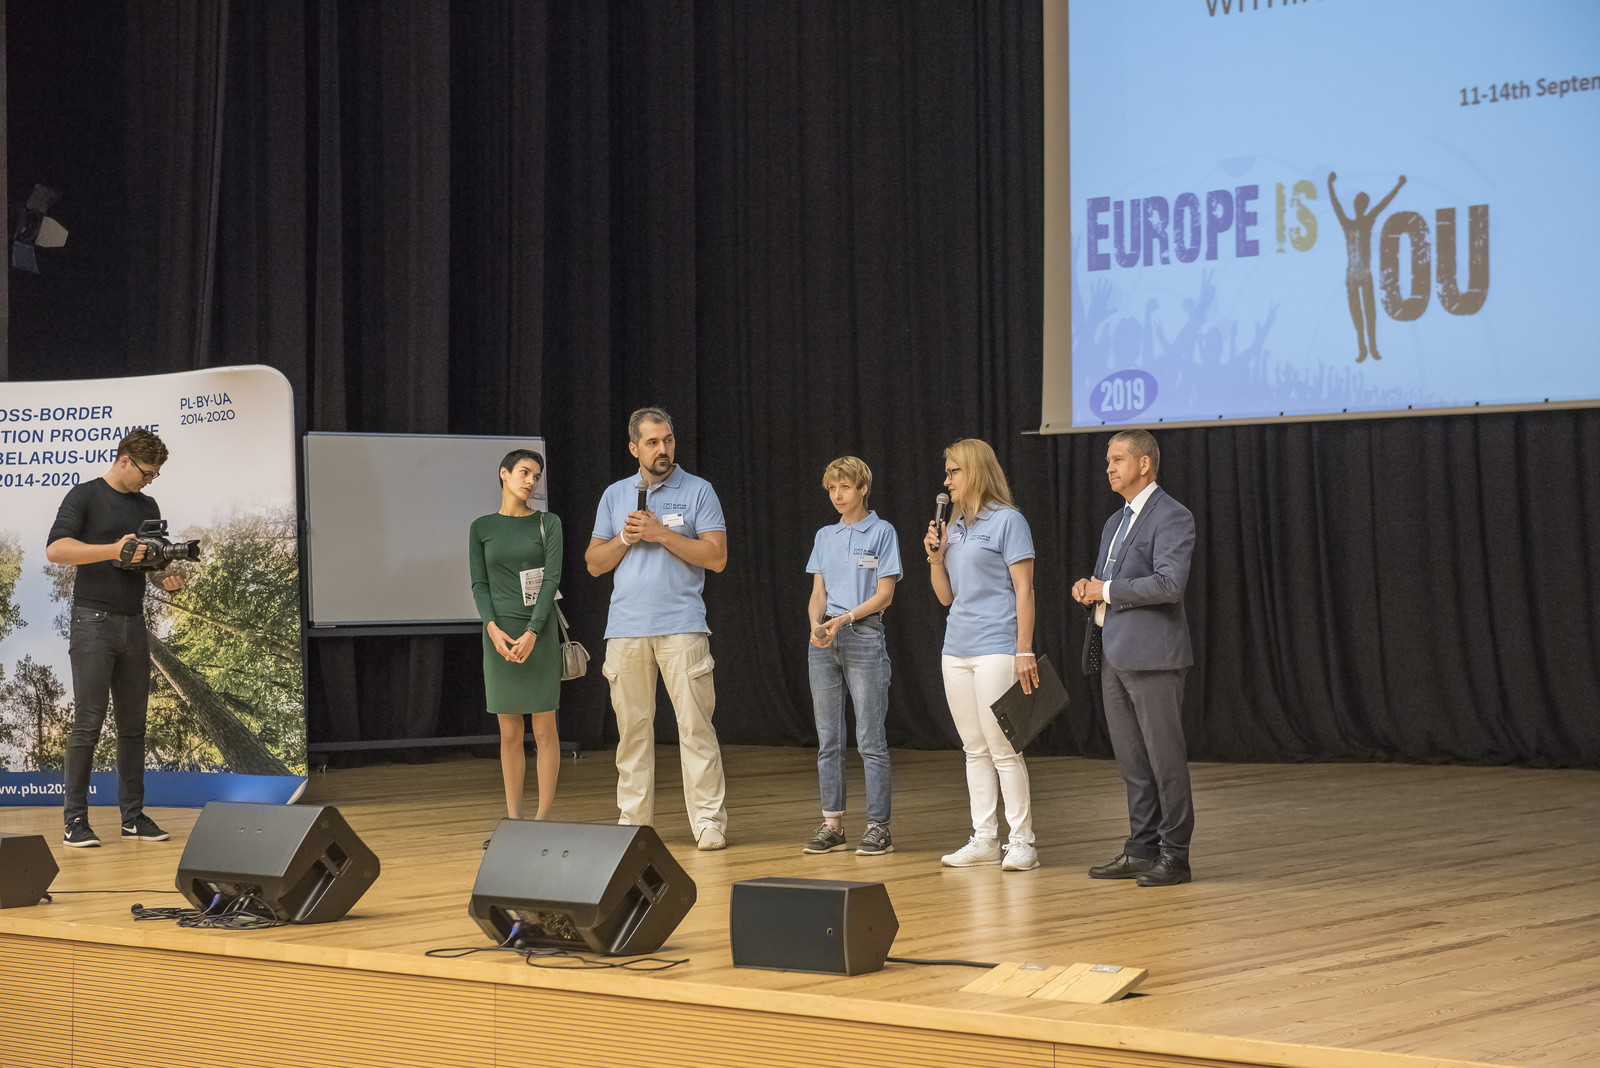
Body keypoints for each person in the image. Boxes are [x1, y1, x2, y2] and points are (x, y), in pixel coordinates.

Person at [585, 407, 730, 850]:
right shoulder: (615, 495)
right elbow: (594, 564)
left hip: (682, 627)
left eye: (667, 440)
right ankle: (634, 824)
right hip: (625, 629)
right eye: (652, 442)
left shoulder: (699, 490)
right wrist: (625, 538)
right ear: (634, 448)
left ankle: (708, 822)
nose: (662, 449)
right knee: (632, 732)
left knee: (695, 729)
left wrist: (660, 533)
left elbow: (717, 558)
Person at [45, 429, 185, 848]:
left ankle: (133, 817)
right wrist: (112, 549)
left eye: (155, 475)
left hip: (133, 623)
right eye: (146, 472)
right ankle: (74, 822)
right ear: (124, 460)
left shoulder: (148, 505)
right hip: (92, 620)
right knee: (88, 723)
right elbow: (56, 550)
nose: (150, 480)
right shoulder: (85, 495)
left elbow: (150, 565)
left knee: (133, 727)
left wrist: (166, 577)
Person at [1073, 428, 1196, 887]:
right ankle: (1141, 849)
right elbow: (1108, 584)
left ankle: (1175, 854)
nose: (1109, 467)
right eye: (1108, 460)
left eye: (1118, 459)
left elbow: (1169, 584)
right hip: (1115, 653)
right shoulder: (1115, 521)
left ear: (1144, 464)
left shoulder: (1173, 515)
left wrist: (1104, 589)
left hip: (1154, 657)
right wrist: (1089, 589)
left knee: (1165, 760)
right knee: (1133, 762)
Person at [924, 438, 1040, 871]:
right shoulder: (952, 528)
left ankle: (1022, 842)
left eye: (953, 471)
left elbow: (1025, 590)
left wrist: (1023, 649)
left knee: (1004, 748)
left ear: (974, 471)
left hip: (997, 646)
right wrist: (935, 559)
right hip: (956, 649)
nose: (946, 481)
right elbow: (946, 597)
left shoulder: (1009, 521)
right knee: (973, 749)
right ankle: (985, 839)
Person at [803, 456, 901, 857]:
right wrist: (816, 624)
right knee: (828, 737)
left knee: (869, 740)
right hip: (826, 640)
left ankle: (879, 827)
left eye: (844, 486)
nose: (837, 495)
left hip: (863, 635)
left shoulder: (882, 531)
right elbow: (818, 592)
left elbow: (885, 594)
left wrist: (844, 619)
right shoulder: (825, 535)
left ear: (862, 488)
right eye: (832, 488)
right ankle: (832, 824)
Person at [468, 449, 563, 830]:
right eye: (524, 472)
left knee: (544, 728)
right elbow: (479, 584)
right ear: (504, 474)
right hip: (499, 634)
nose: (531, 481)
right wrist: (492, 628)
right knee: (509, 732)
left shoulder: (548, 522)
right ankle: (515, 822)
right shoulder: (481, 527)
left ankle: (542, 821)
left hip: (538, 631)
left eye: (536, 476)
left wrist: (533, 632)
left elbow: (551, 580)